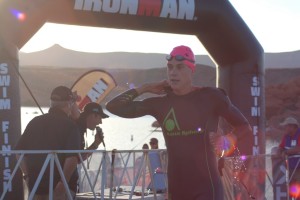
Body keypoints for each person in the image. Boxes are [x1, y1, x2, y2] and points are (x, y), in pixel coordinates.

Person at [106, 45, 253, 200]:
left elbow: (244, 126)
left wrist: (227, 139)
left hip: (206, 189)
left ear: (192, 70)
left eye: (180, 67)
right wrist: (145, 88)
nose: (173, 72)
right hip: (176, 190)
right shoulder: (160, 104)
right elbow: (114, 107)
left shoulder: (211, 97)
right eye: (170, 67)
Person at [14, 86, 82, 199]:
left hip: (36, 187)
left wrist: (26, 176)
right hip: (59, 190)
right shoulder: (70, 126)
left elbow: (19, 152)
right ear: (69, 103)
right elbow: (72, 158)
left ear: (51, 103)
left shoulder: (34, 122)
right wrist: (62, 183)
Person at [68, 102, 109, 194]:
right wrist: (95, 145)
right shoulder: (76, 128)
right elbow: (78, 158)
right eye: (100, 118)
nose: (100, 122)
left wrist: (95, 144)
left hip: (66, 181)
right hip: (65, 182)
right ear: (93, 115)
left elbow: (78, 158)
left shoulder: (79, 127)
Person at [277, 117, 300, 190]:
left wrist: (286, 152)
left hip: (298, 167)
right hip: (291, 167)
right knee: (292, 188)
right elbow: (281, 147)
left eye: (286, 126)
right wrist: (279, 152)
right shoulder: (286, 136)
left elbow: (298, 148)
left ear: (292, 126)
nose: (285, 128)